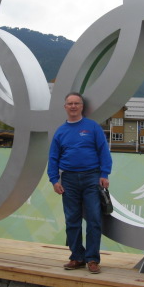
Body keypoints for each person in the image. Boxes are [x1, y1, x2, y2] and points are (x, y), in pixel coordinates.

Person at [48, 92, 112, 274]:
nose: (74, 106)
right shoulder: (60, 131)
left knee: (93, 219)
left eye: (77, 103)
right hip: (68, 179)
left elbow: (103, 152)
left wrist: (104, 173)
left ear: (82, 106)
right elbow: (53, 157)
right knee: (72, 220)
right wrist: (54, 180)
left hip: (92, 177)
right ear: (65, 107)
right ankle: (77, 256)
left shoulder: (92, 127)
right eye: (70, 103)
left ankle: (92, 259)